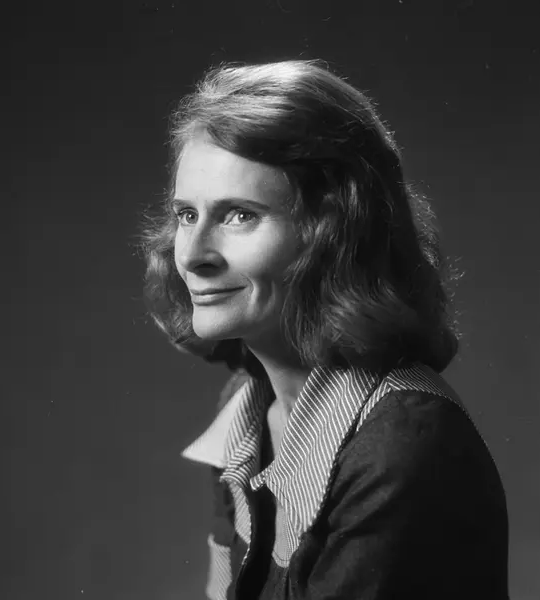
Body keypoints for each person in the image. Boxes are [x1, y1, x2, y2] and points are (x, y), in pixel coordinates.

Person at [139, 59, 510, 599]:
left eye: (240, 215)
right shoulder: (245, 410)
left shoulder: (401, 446)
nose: (192, 256)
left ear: (335, 234)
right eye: (187, 215)